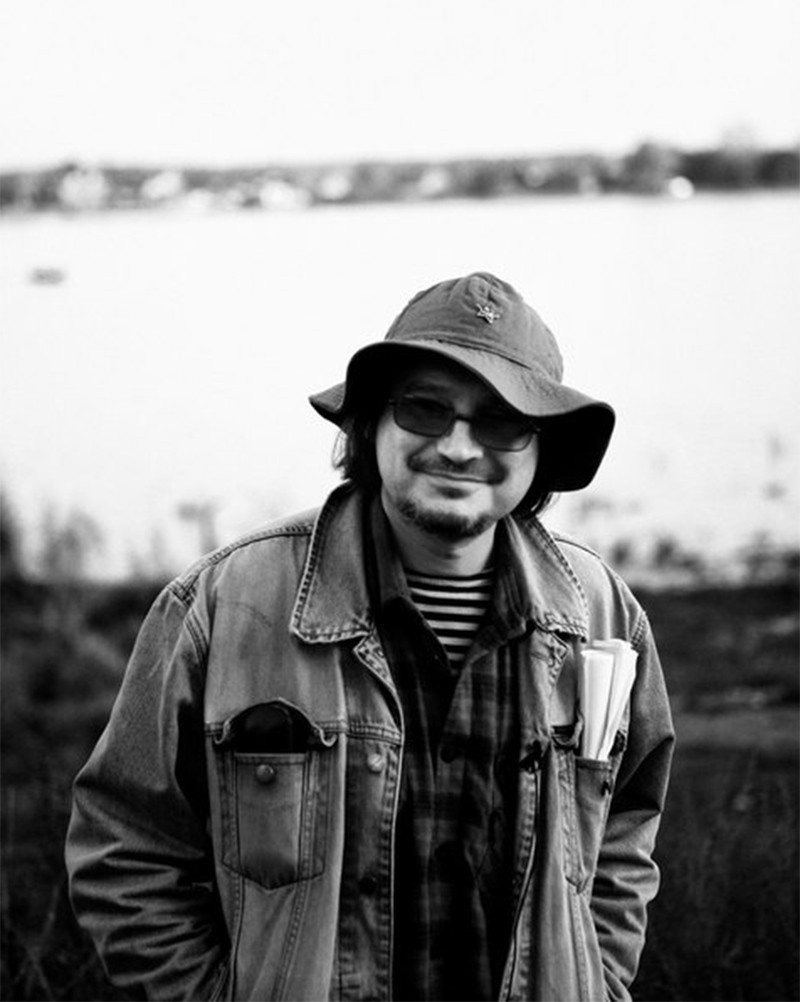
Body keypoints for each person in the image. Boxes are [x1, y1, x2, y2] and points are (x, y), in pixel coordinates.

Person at [66, 271, 674, 1002]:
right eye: (425, 408)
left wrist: (596, 981)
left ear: (540, 447)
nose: (459, 447)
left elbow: (623, 837)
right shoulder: (224, 604)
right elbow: (125, 849)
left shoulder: (604, 615)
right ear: (371, 425)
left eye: (502, 420)